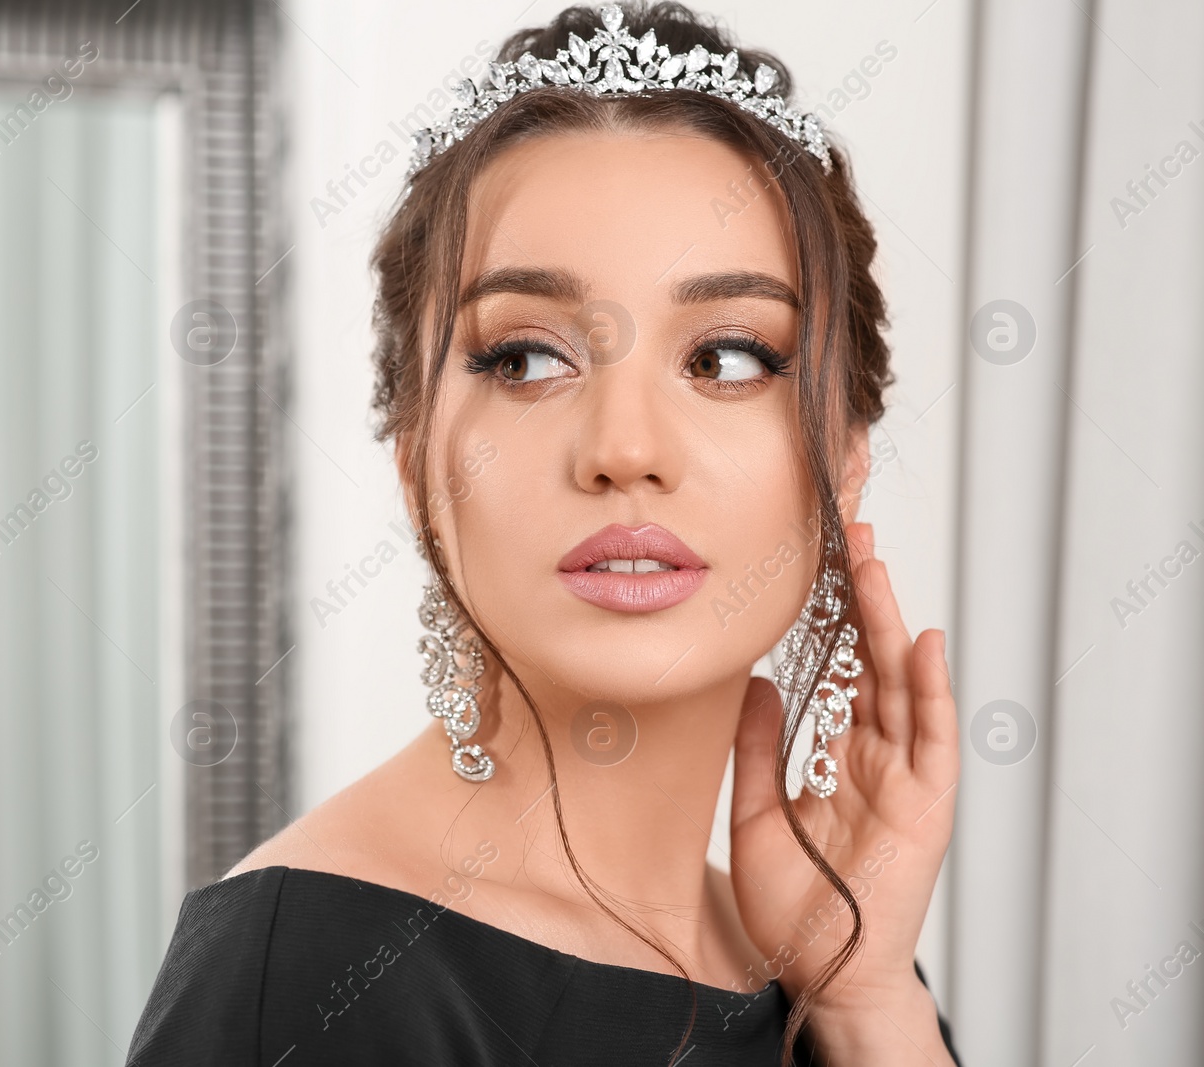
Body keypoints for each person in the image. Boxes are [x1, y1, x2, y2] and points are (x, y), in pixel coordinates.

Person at [129, 3, 963, 1063]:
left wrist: (870, 1000)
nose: (623, 448)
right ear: (415, 458)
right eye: (523, 358)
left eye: (728, 357)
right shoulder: (306, 981)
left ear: (844, 462)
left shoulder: (832, 958)